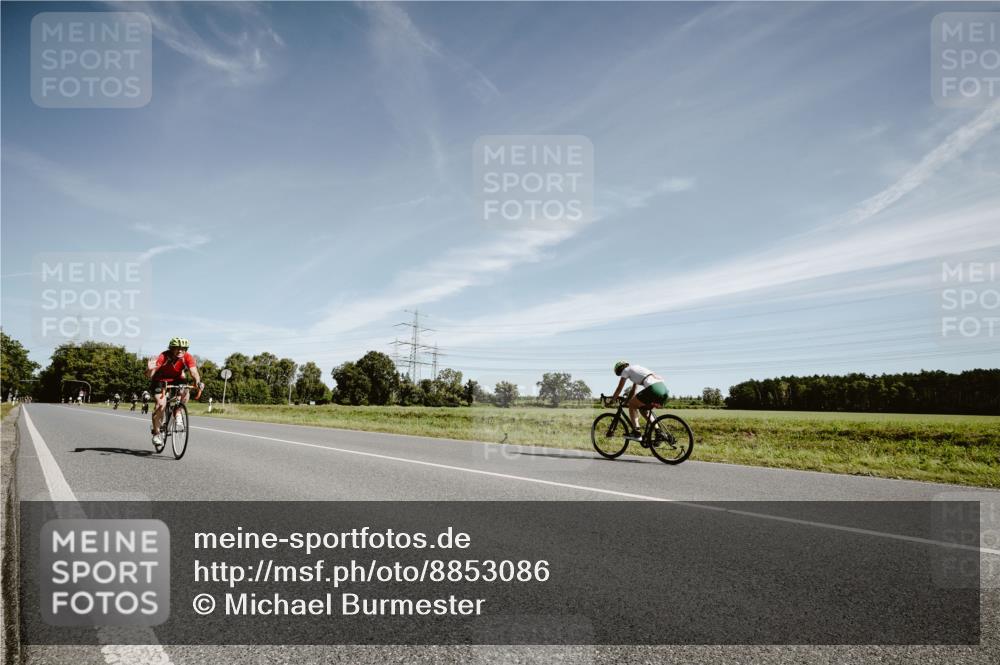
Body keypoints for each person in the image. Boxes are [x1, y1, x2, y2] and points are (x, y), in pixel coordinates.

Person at [146, 337, 204, 448]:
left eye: (183, 349)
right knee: (160, 405)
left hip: (176, 379)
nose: (180, 351)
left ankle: (177, 411)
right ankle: (157, 433)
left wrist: (197, 381)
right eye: (177, 348)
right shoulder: (163, 356)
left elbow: (193, 371)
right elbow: (150, 375)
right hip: (160, 380)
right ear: (172, 349)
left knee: (186, 390)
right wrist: (149, 369)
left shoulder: (187, 357)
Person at [609, 361, 669, 439]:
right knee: (643, 410)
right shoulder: (636, 369)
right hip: (663, 389)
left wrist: (612, 400)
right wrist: (626, 401)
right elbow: (633, 391)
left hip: (653, 388)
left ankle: (636, 432)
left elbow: (619, 388)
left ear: (619, 369)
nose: (621, 375)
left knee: (632, 404)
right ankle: (658, 432)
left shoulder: (625, 370)